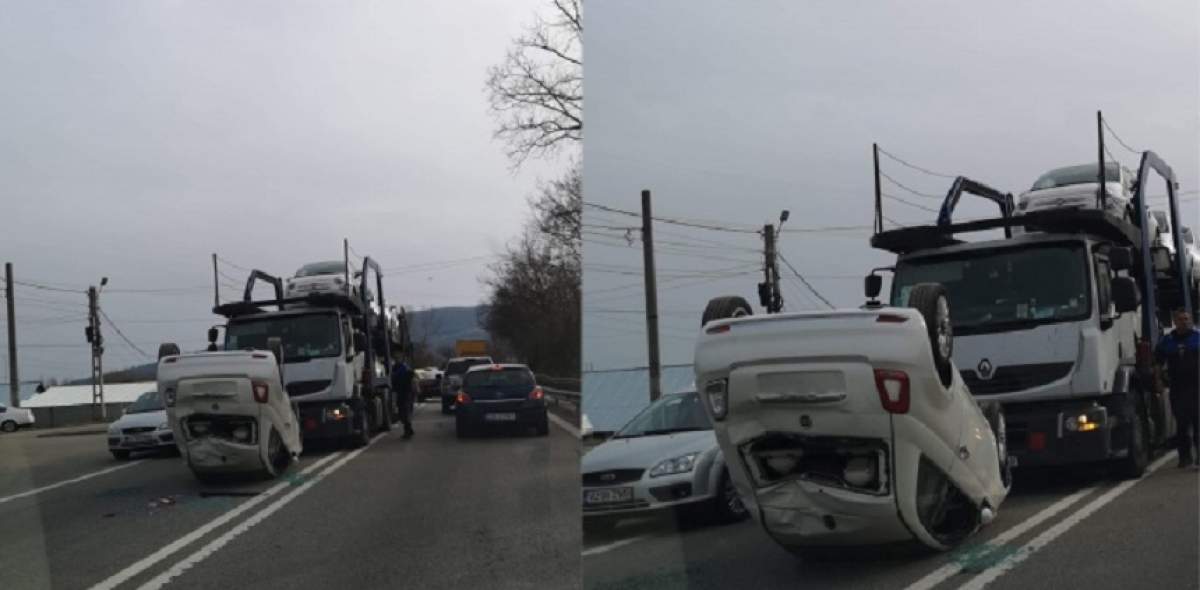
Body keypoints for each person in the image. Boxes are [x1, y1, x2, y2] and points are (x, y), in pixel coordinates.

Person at [1155, 309, 1200, 467]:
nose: (1185, 322)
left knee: (1198, 421)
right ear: (1175, 321)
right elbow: (1158, 363)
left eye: (1187, 319)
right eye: (1181, 319)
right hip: (1178, 387)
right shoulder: (1167, 341)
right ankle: (1185, 457)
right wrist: (1158, 381)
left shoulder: (1197, 337)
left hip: (1196, 386)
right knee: (1182, 423)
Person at [391, 357, 415, 439]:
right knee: (405, 412)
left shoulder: (399, 372)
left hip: (403, 394)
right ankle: (409, 430)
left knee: (403, 413)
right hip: (406, 393)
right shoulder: (405, 370)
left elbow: (395, 382)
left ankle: (408, 431)